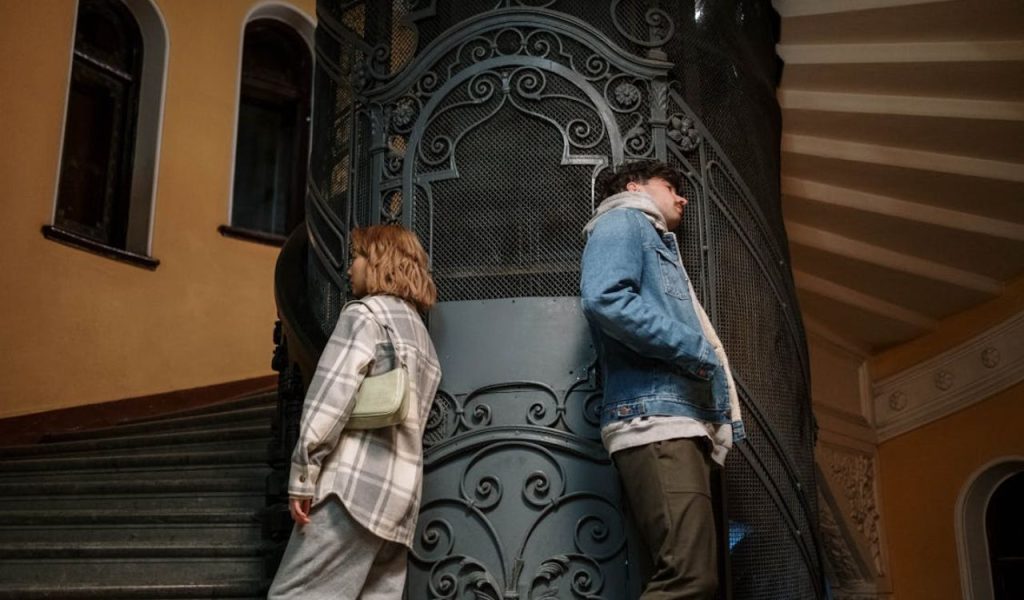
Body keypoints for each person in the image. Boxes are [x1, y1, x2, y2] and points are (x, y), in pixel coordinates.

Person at [580, 160, 744, 599]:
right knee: (691, 578)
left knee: (691, 574)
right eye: (670, 186)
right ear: (635, 187)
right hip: (655, 421)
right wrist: (695, 349)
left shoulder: (652, 237)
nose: (682, 197)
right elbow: (605, 299)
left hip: (670, 418)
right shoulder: (624, 219)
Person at [269, 224, 441, 599]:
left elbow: (330, 399)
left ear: (379, 261)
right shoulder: (421, 338)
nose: (349, 269)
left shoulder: (364, 315)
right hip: (399, 502)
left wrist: (303, 473)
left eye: (357, 258)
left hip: (352, 491)